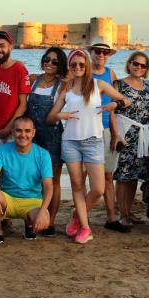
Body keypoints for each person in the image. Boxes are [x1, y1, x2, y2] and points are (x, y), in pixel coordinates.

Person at [46, 50, 131, 244]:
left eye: (81, 64)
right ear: (69, 66)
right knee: (77, 186)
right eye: (73, 64)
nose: (77, 67)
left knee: (98, 189)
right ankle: (85, 228)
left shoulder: (98, 85)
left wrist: (114, 105)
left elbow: (126, 101)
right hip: (70, 142)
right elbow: (50, 118)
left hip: (93, 141)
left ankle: (77, 215)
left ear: (87, 66)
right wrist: (60, 115)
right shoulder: (66, 89)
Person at [0, 116, 53, 247]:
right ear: (12, 132)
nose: (23, 135)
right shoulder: (2, 150)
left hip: (32, 201)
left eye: (27, 131)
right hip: (8, 199)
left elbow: (48, 187)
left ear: (33, 133)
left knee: (44, 221)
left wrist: (43, 211)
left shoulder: (43, 154)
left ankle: (29, 224)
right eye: (19, 130)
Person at [26, 47, 68, 237]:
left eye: (55, 62)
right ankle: (33, 219)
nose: (49, 63)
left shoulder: (63, 85)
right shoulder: (33, 80)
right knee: (32, 179)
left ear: (61, 65)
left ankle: (50, 221)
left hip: (53, 137)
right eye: (46, 59)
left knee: (53, 181)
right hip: (31, 137)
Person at [111, 51, 149, 229]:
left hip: (143, 135)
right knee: (123, 175)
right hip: (125, 133)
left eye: (143, 65)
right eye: (136, 63)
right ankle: (122, 214)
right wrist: (115, 134)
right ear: (129, 64)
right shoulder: (118, 84)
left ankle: (128, 210)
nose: (139, 67)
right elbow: (111, 111)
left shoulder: (148, 87)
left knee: (134, 175)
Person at [0, 31, 31, 173]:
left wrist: (8, 129)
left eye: (2, 46)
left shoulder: (20, 69)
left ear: (11, 47)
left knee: (7, 176)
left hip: (9, 135)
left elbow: (23, 105)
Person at [87, 41, 123, 233]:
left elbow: (114, 105)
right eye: (98, 51)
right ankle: (81, 217)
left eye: (105, 52)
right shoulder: (82, 71)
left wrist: (116, 134)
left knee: (108, 175)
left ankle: (111, 218)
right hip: (85, 130)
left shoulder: (111, 74)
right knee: (83, 177)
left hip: (106, 129)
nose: (101, 55)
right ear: (91, 53)